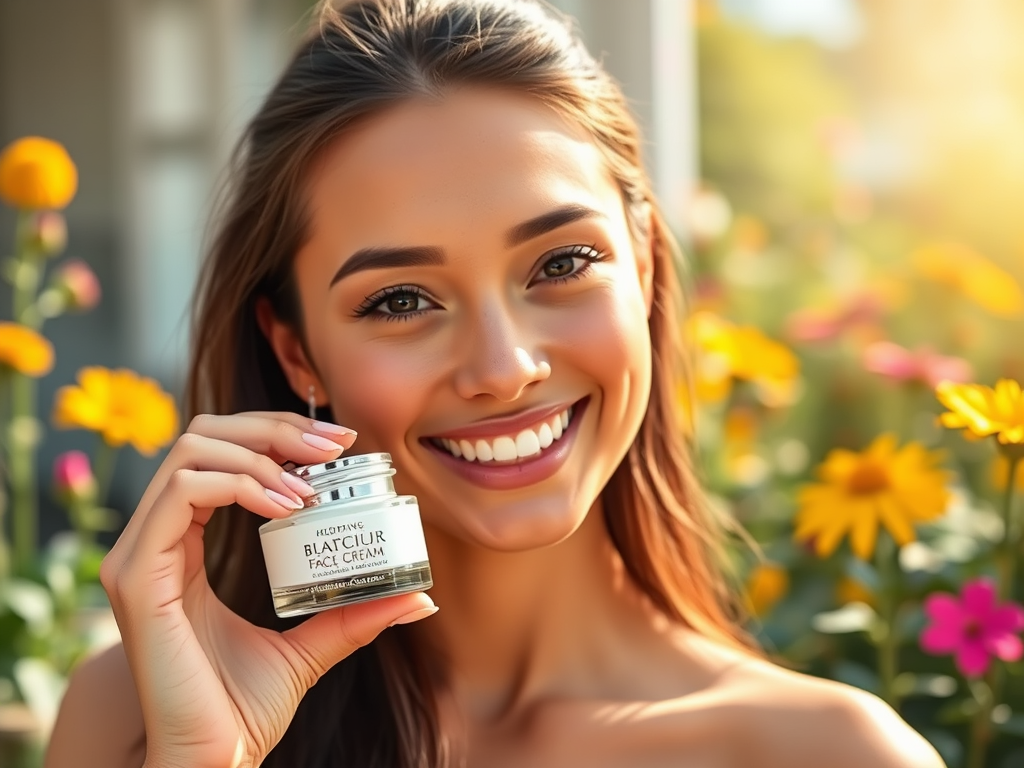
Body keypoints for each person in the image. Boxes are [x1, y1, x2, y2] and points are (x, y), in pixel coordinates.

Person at [45, 1, 946, 766]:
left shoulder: (831, 752)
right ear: (297, 352)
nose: (505, 367)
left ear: (644, 265)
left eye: (561, 261)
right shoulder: (136, 717)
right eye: (401, 300)